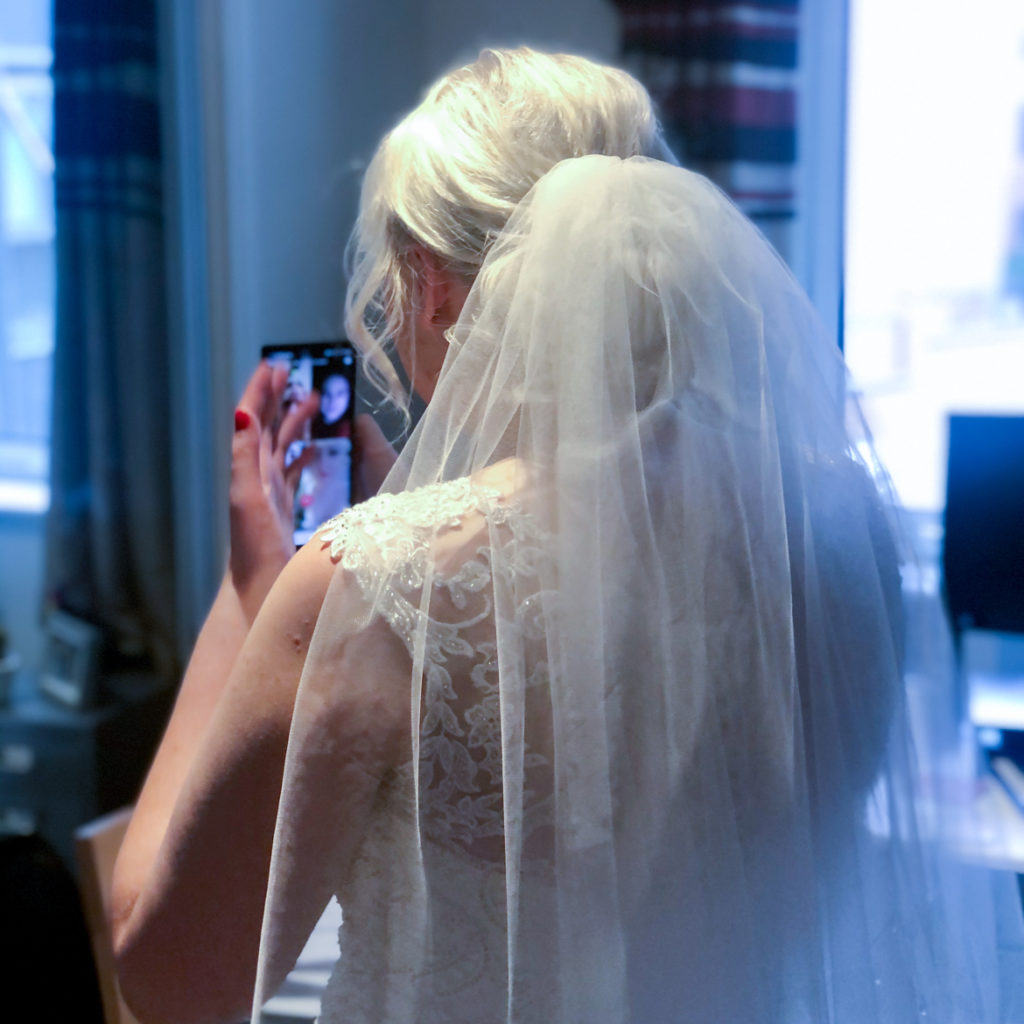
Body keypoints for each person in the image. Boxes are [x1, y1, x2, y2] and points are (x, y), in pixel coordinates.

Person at [111, 48, 1006, 1024]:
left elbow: (170, 981)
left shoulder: (370, 586)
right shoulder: (833, 542)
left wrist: (253, 602)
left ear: (433, 286)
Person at [310, 372, 352, 439]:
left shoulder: (354, 431)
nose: (332, 400)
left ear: (349, 396)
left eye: (339, 394)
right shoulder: (307, 428)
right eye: (326, 393)